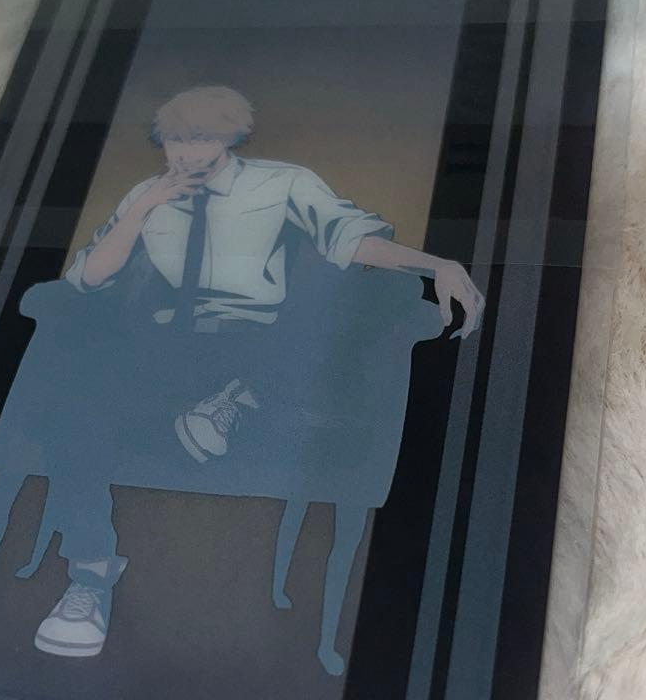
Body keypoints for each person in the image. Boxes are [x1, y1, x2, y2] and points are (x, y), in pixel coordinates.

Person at [31, 85, 484, 659]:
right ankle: (91, 575)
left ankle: (237, 398)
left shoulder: (283, 183)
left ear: (230, 137)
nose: (188, 153)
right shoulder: (147, 193)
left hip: (256, 341)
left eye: (203, 139)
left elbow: (351, 240)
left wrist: (436, 263)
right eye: (176, 140)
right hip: (171, 346)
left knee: (336, 297)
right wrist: (142, 210)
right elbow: (90, 278)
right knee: (75, 400)